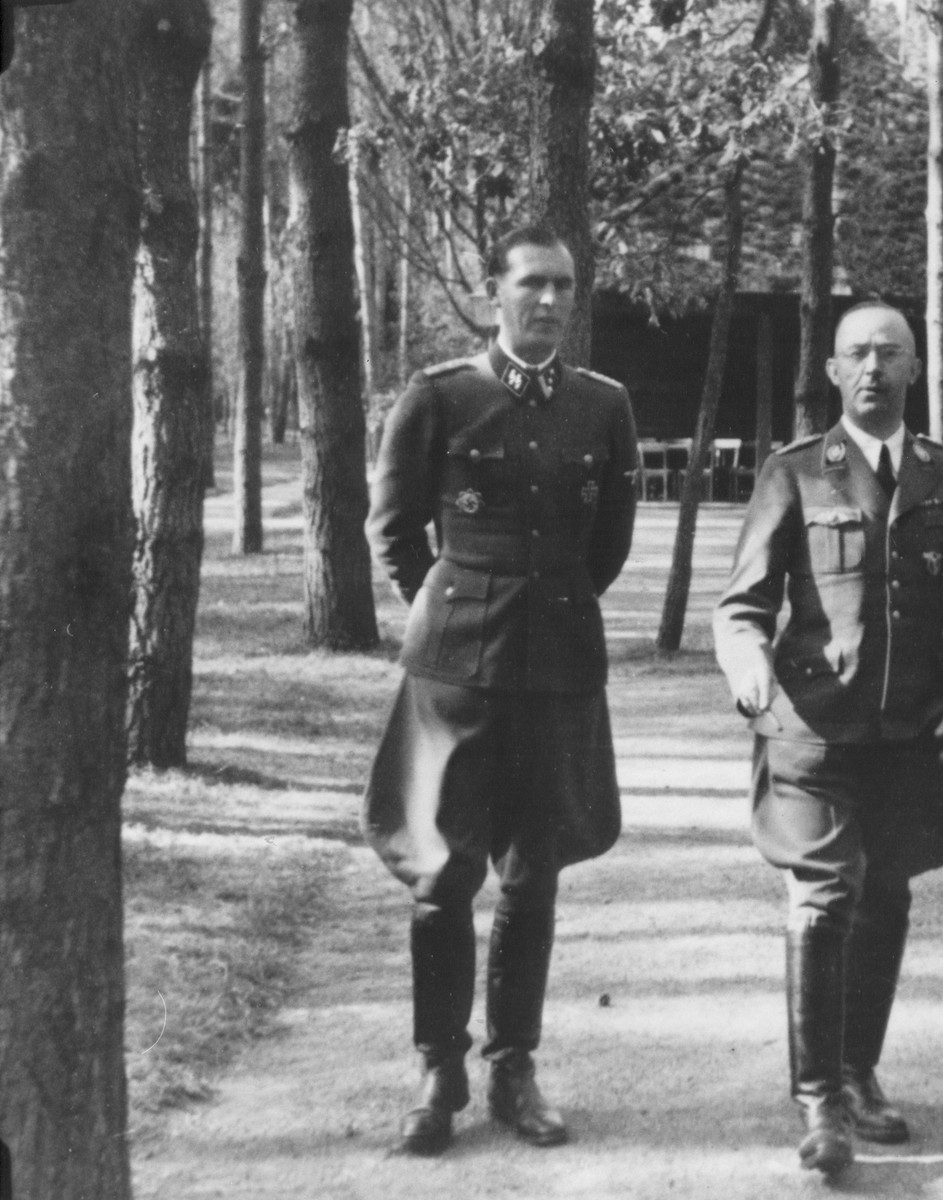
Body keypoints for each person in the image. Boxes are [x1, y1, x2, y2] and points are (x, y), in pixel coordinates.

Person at [361, 224, 639, 1156]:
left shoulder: (602, 406)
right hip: (454, 670)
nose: (550, 302)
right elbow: (397, 531)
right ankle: (439, 1068)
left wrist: (544, 611)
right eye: (532, 285)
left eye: (564, 287)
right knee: (443, 872)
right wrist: (457, 613)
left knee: (537, 869)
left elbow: (608, 546)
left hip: (557, 667)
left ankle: (513, 1065)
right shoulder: (440, 397)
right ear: (495, 292)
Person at [713, 302, 943, 1176]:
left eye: (889, 353)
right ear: (833, 373)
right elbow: (741, 605)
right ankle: (820, 1103)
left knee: (887, 900)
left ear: (914, 368)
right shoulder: (795, 472)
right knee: (825, 897)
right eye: (856, 355)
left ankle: (859, 1070)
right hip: (813, 735)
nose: (872, 367)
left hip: (910, 737)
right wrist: (745, 664)